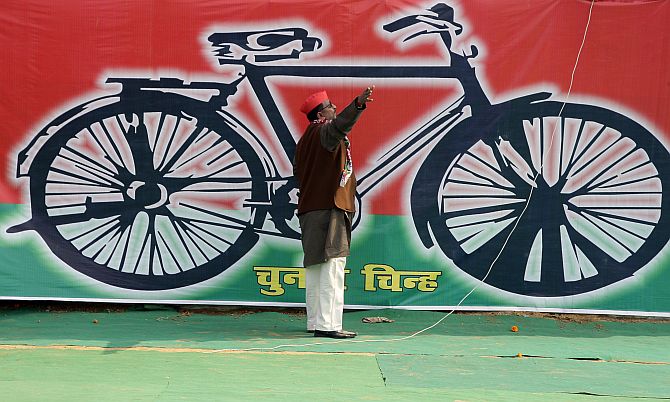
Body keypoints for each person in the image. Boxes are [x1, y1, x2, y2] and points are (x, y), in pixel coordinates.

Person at [293, 86, 374, 339]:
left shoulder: (307, 138)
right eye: (331, 106)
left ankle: (316, 321)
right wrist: (357, 105)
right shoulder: (325, 132)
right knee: (333, 266)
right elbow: (340, 126)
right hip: (330, 208)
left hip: (310, 209)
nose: (335, 109)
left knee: (316, 267)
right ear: (321, 113)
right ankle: (329, 325)